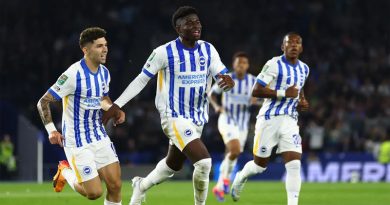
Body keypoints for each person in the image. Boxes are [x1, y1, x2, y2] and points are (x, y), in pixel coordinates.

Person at [103, 6, 235, 205]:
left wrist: (228, 83)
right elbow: (141, 80)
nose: (195, 26)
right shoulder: (163, 52)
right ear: (178, 28)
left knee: (172, 165)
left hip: (197, 118)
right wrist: (117, 104)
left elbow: (222, 77)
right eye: (189, 23)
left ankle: (141, 186)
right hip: (173, 117)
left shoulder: (208, 49)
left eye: (197, 22)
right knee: (204, 163)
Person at [37, 27, 125, 205]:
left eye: (106, 45)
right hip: (77, 141)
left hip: (98, 135)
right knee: (94, 193)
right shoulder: (72, 74)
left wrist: (113, 108)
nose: (105, 49)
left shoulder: (104, 72)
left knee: (115, 185)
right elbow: (43, 102)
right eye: (99, 46)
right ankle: (65, 171)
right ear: (86, 50)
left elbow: (102, 98)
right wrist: (52, 131)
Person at [230, 32, 310, 205]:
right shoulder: (273, 64)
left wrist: (301, 101)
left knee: (294, 165)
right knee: (259, 166)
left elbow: (299, 89)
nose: (294, 46)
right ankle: (241, 176)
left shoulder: (305, 68)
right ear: (283, 47)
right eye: (290, 43)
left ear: (301, 48)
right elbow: (256, 90)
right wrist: (283, 94)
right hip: (269, 119)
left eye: (297, 43)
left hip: (290, 121)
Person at [207, 52, 257, 201]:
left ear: (247, 66)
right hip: (227, 119)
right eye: (238, 63)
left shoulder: (253, 82)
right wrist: (217, 106)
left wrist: (256, 101)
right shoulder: (227, 79)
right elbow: (211, 94)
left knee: (232, 154)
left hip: (243, 124)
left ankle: (220, 186)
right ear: (234, 64)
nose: (240, 65)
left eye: (244, 63)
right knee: (234, 150)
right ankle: (225, 180)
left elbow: (260, 99)